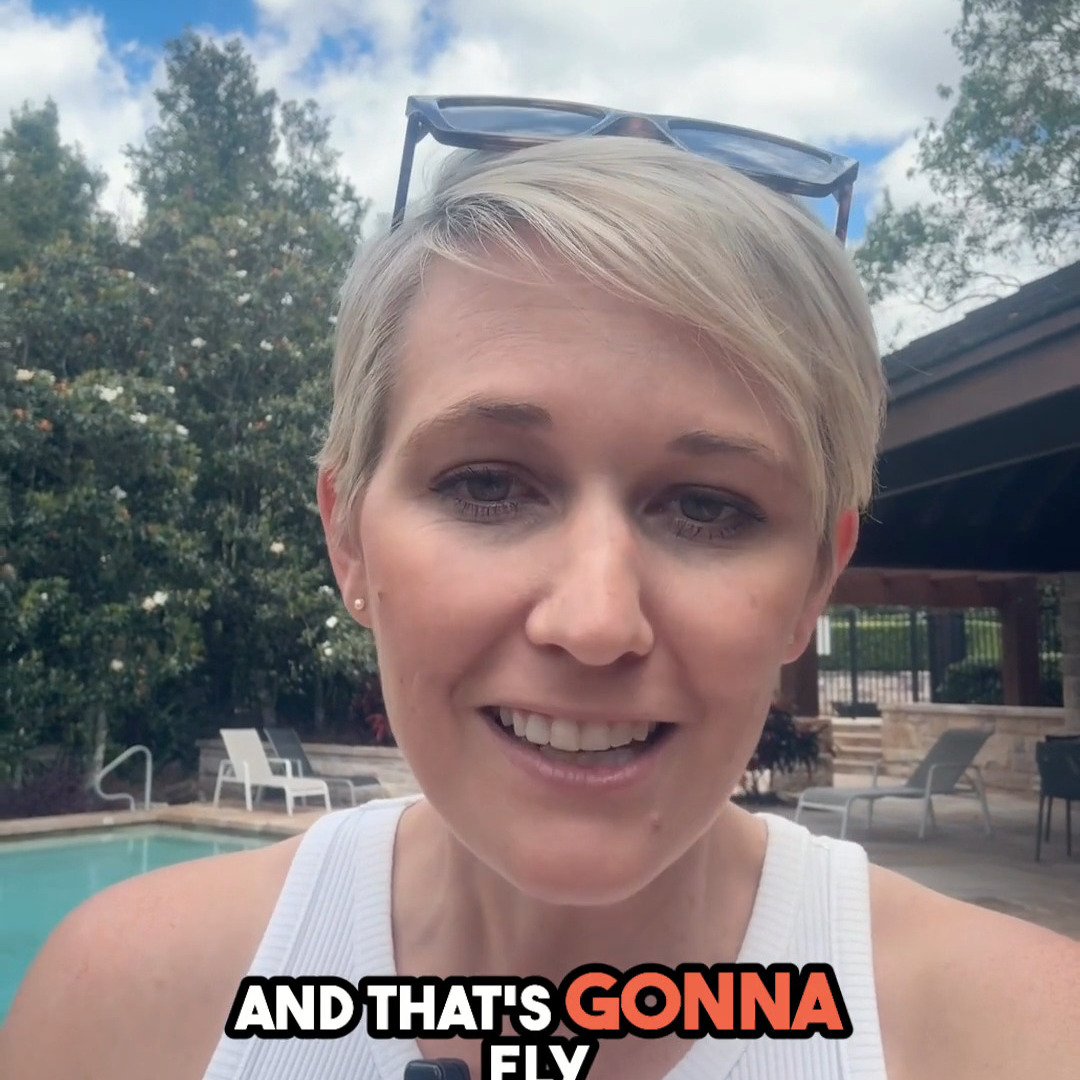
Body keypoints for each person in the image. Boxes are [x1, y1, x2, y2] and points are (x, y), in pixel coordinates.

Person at [2, 100, 1078, 1080]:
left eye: (708, 508)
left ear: (815, 583)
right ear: (349, 538)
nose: (596, 621)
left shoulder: (1025, 1038)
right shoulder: (125, 1011)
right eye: (486, 485)